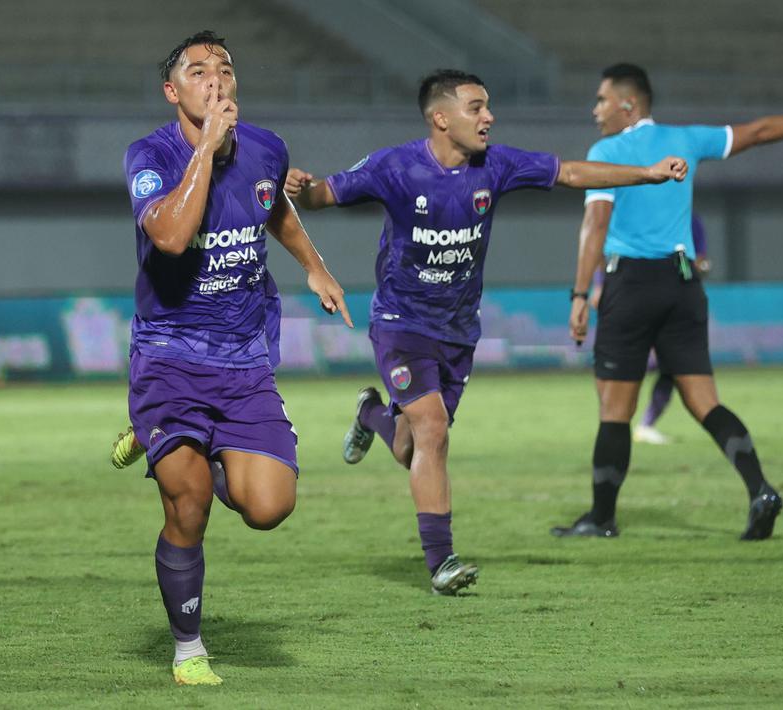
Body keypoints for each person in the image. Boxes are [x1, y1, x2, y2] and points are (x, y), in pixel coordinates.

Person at [284, 69, 688, 595]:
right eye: (476, 107)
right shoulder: (395, 166)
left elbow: (568, 173)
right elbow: (324, 197)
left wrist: (647, 173)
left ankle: (370, 413)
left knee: (412, 447)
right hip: (402, 324)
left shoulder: (495, 165)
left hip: (458, 330)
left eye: (488, 106)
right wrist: (305, 187)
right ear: (441, 117)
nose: (488, 117)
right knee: (432, 431)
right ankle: (441, 561)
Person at [555, 63, 783, 540]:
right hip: (684, 283)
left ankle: (601, 517)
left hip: (632, 285)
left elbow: (595, 227)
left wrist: (580, 294)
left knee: (614, 408)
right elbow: (761, 131)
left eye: (602, 100)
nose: (595, 109)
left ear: (628, 104)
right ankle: (761, 489)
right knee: (705, 402)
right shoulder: (687, 139)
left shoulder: (607, 152)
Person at [123, 30, 352, 686]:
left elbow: (271, 202)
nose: (215, 79)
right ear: (174, 92)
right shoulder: (151, 154)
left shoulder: (265, 148)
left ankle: (192, 448)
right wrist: (205, 150)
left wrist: (313, 265)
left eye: (224, 68)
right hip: (167, 356)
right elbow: (169, 235)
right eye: (197, 71)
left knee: (269, 507)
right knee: (187, 504)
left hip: (243, 358)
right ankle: (188, 647)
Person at [596, 213, 710, 446]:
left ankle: (638, 425)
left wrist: (697, 268)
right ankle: (622, 424)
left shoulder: (689, 219)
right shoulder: (632, 209)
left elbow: (696, 261)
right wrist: (598, 285)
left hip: (670, 302)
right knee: (640, 367)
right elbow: (604, 246)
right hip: (636, 298)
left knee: (665, 369)